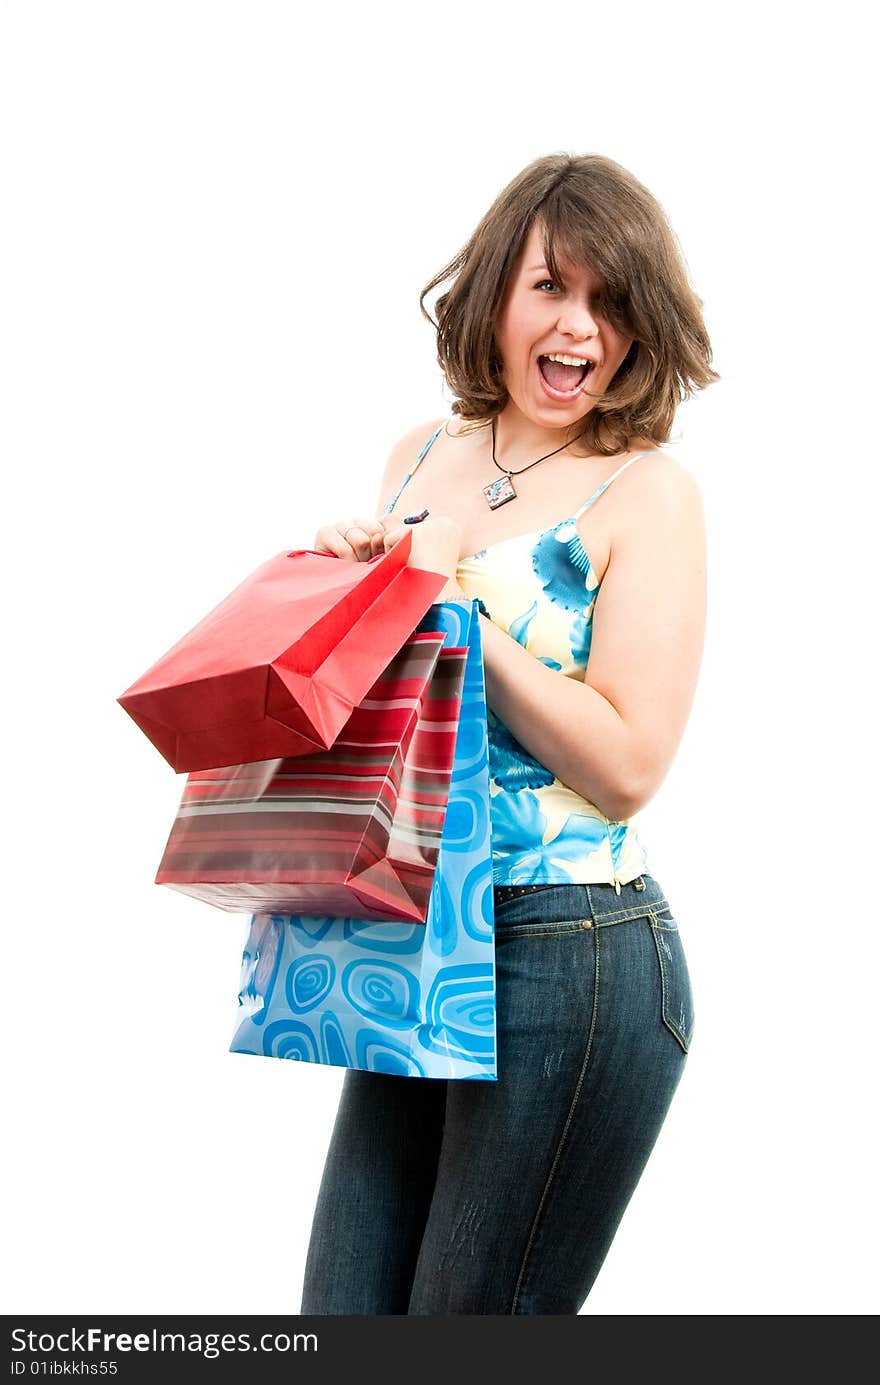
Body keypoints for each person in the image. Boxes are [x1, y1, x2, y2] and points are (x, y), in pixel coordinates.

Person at [299, 152, 716, 1315]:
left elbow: (630, 764)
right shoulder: (419, 458)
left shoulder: (645, 490)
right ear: (493, 295)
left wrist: (467, 624)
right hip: (420, 942)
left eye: (611, 301)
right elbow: (390, 720)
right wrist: (346, 595)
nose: (581, 327)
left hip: (573, 948)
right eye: (551, 287)